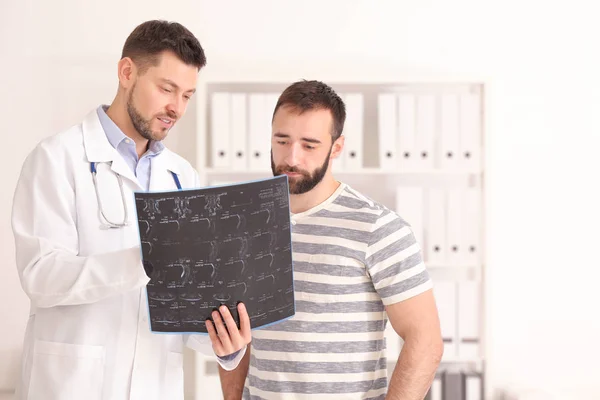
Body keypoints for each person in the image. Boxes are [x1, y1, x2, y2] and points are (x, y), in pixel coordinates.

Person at [11, 20, 251, 400]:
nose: (177, 107)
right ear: (127, 73)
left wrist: (224, 345)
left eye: (187, 95)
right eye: (166, 89)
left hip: (156, 387)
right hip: (75, 386)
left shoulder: (181, 175)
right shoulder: (57, 158)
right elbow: (41, 276)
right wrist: (146, 260)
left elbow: (181, 307)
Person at [219, 80, 443, 399]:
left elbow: (426, 341)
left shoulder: (377, 226)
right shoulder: (245, 225)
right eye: (282, 140)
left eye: (309, 145)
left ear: (336, 148)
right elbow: (236, 339)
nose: (291, 158)